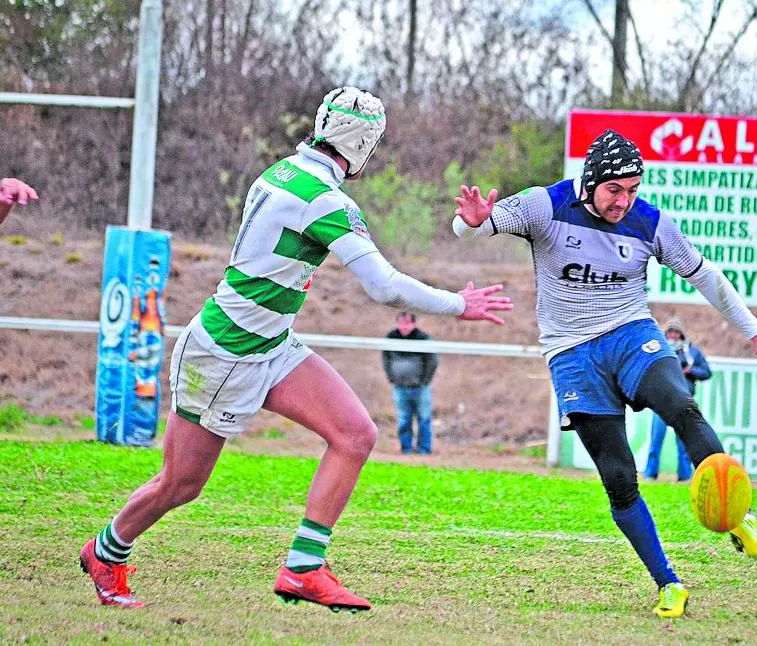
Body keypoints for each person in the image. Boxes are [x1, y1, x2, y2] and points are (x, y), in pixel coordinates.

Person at [79, 86, 513, 612]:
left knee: (355, 434)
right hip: (226, 351)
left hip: (270, 342)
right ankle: (107, 551)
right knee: (180, 483)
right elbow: (384, 287)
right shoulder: (324, 199)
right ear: (364, 145)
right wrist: (457, 305)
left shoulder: (283, 171)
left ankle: (304, 569)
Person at [452, 129, 757, 618]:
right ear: (591, 179)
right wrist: (469, 225)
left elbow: (705, 275)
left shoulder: (650, 222)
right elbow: (473, 224)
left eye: (633, 189)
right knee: (619, 477)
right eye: (615, 190)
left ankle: (739, 516)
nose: (625, 200)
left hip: (630, 332)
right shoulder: (544, 205)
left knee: (680, 403)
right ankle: (669, 584)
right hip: (571, 352)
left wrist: (755, 331)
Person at [644, 318, 711, 482]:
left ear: (681, 334)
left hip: (683, 403)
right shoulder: (658, 348)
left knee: (683, 444)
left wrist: (690, 371)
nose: (673, 335)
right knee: (655, 441)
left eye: (676, 332)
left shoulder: (691, 352)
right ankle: (650, 475)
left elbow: (707, 372)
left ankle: (685, 476)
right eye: (670, 332)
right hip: (660, 402)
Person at [382, 312, 438, 454]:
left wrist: (424, 380)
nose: (404, 327)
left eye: (407, 323)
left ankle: (424, 449)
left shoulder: (423, 339)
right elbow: (386, 360)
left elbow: (432, 361)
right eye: (401, 323)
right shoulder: (391, 338)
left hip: (420, 387)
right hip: (400, 387)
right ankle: (406, 448)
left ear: (413, 323)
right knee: (404, 418)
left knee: (424, 418)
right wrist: (392, 378)